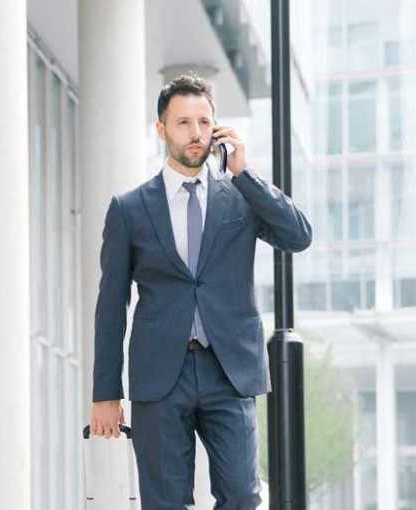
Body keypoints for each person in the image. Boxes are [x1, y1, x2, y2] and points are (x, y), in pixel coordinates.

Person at [88, 74, 312, 508]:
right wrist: (105, 393)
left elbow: (298, 235)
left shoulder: (241, 198)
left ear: (217, 128)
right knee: (166, 503)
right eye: (184, 123)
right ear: (162, 130)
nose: (195, 133)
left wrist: (245, 174)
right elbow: (111, 305)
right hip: (160, 378)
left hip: (228, 372)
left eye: (204, 122)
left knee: (243, 498)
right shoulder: (130, 210)